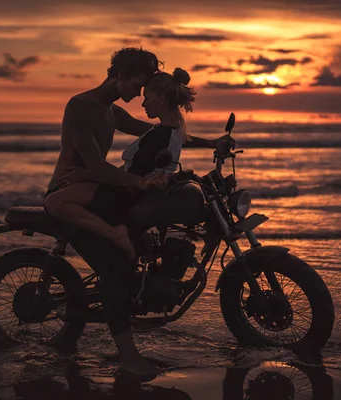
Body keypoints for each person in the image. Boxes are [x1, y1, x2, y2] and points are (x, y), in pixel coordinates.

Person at [43, 47, 233, 381]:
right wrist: (140, 181)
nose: (138, 95)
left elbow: (163, 135)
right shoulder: (81, 106)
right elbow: (94, 166)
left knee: (137, 249)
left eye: (145, 89)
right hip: (71, 193)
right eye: (136, 85)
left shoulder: (111, 113)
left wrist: (209, 143)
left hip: (101, 191)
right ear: (118, 76)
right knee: (114, 264)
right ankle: (128, 358)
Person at [44, 67, 196, 259]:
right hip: (120, 187)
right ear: (122, 76)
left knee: (54, 202)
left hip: (120, 193)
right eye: (137, 87)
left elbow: (132, 172)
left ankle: (114, 233)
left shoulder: (157, 134)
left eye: (146, 96)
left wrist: (85, 174)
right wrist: (211, 143)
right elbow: (166, 143)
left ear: (162, 99)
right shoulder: (171, 132)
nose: (140, 99)